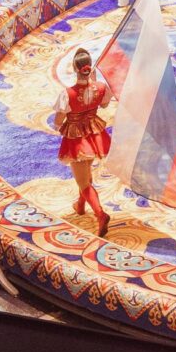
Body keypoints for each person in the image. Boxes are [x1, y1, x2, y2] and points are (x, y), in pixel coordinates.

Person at [55, 46, 113, 237]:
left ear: (75, 68)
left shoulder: (67, 93)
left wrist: (61, 124)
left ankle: (100, 214)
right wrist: (94, 84)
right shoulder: (101, 88)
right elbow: (104, 104)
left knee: (83, 182)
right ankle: (80, 205)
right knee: (85, 176)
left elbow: (58, 120)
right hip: (95, 135)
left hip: (77, 139)